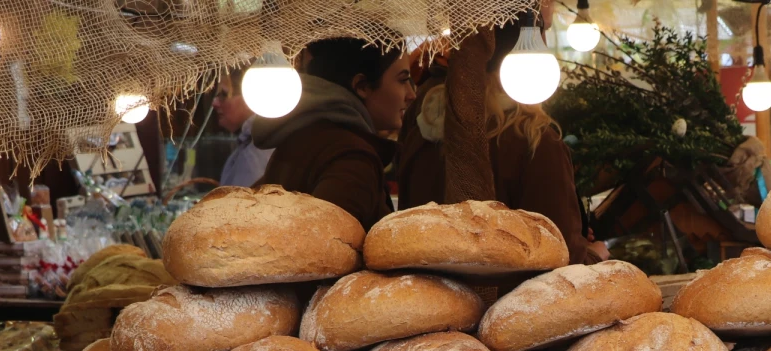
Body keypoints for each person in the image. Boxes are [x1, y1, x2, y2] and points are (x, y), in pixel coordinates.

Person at [397, 22, 608, 264]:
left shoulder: (420, 125)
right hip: (507, 299)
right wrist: (593, 254)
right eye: (540, 36)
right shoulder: (534, 142)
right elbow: (561, 256)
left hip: (428, 294)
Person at [249, 39, 416, 229]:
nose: (411, 94)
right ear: (362, 86)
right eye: (402, 80)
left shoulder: (306, 136)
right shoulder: (352, 158)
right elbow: (326, 244)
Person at [213, 64, 274, 187]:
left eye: (224, 95)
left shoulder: (260, 146)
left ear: (249, 97)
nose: (214, 103)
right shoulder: (250, 142)